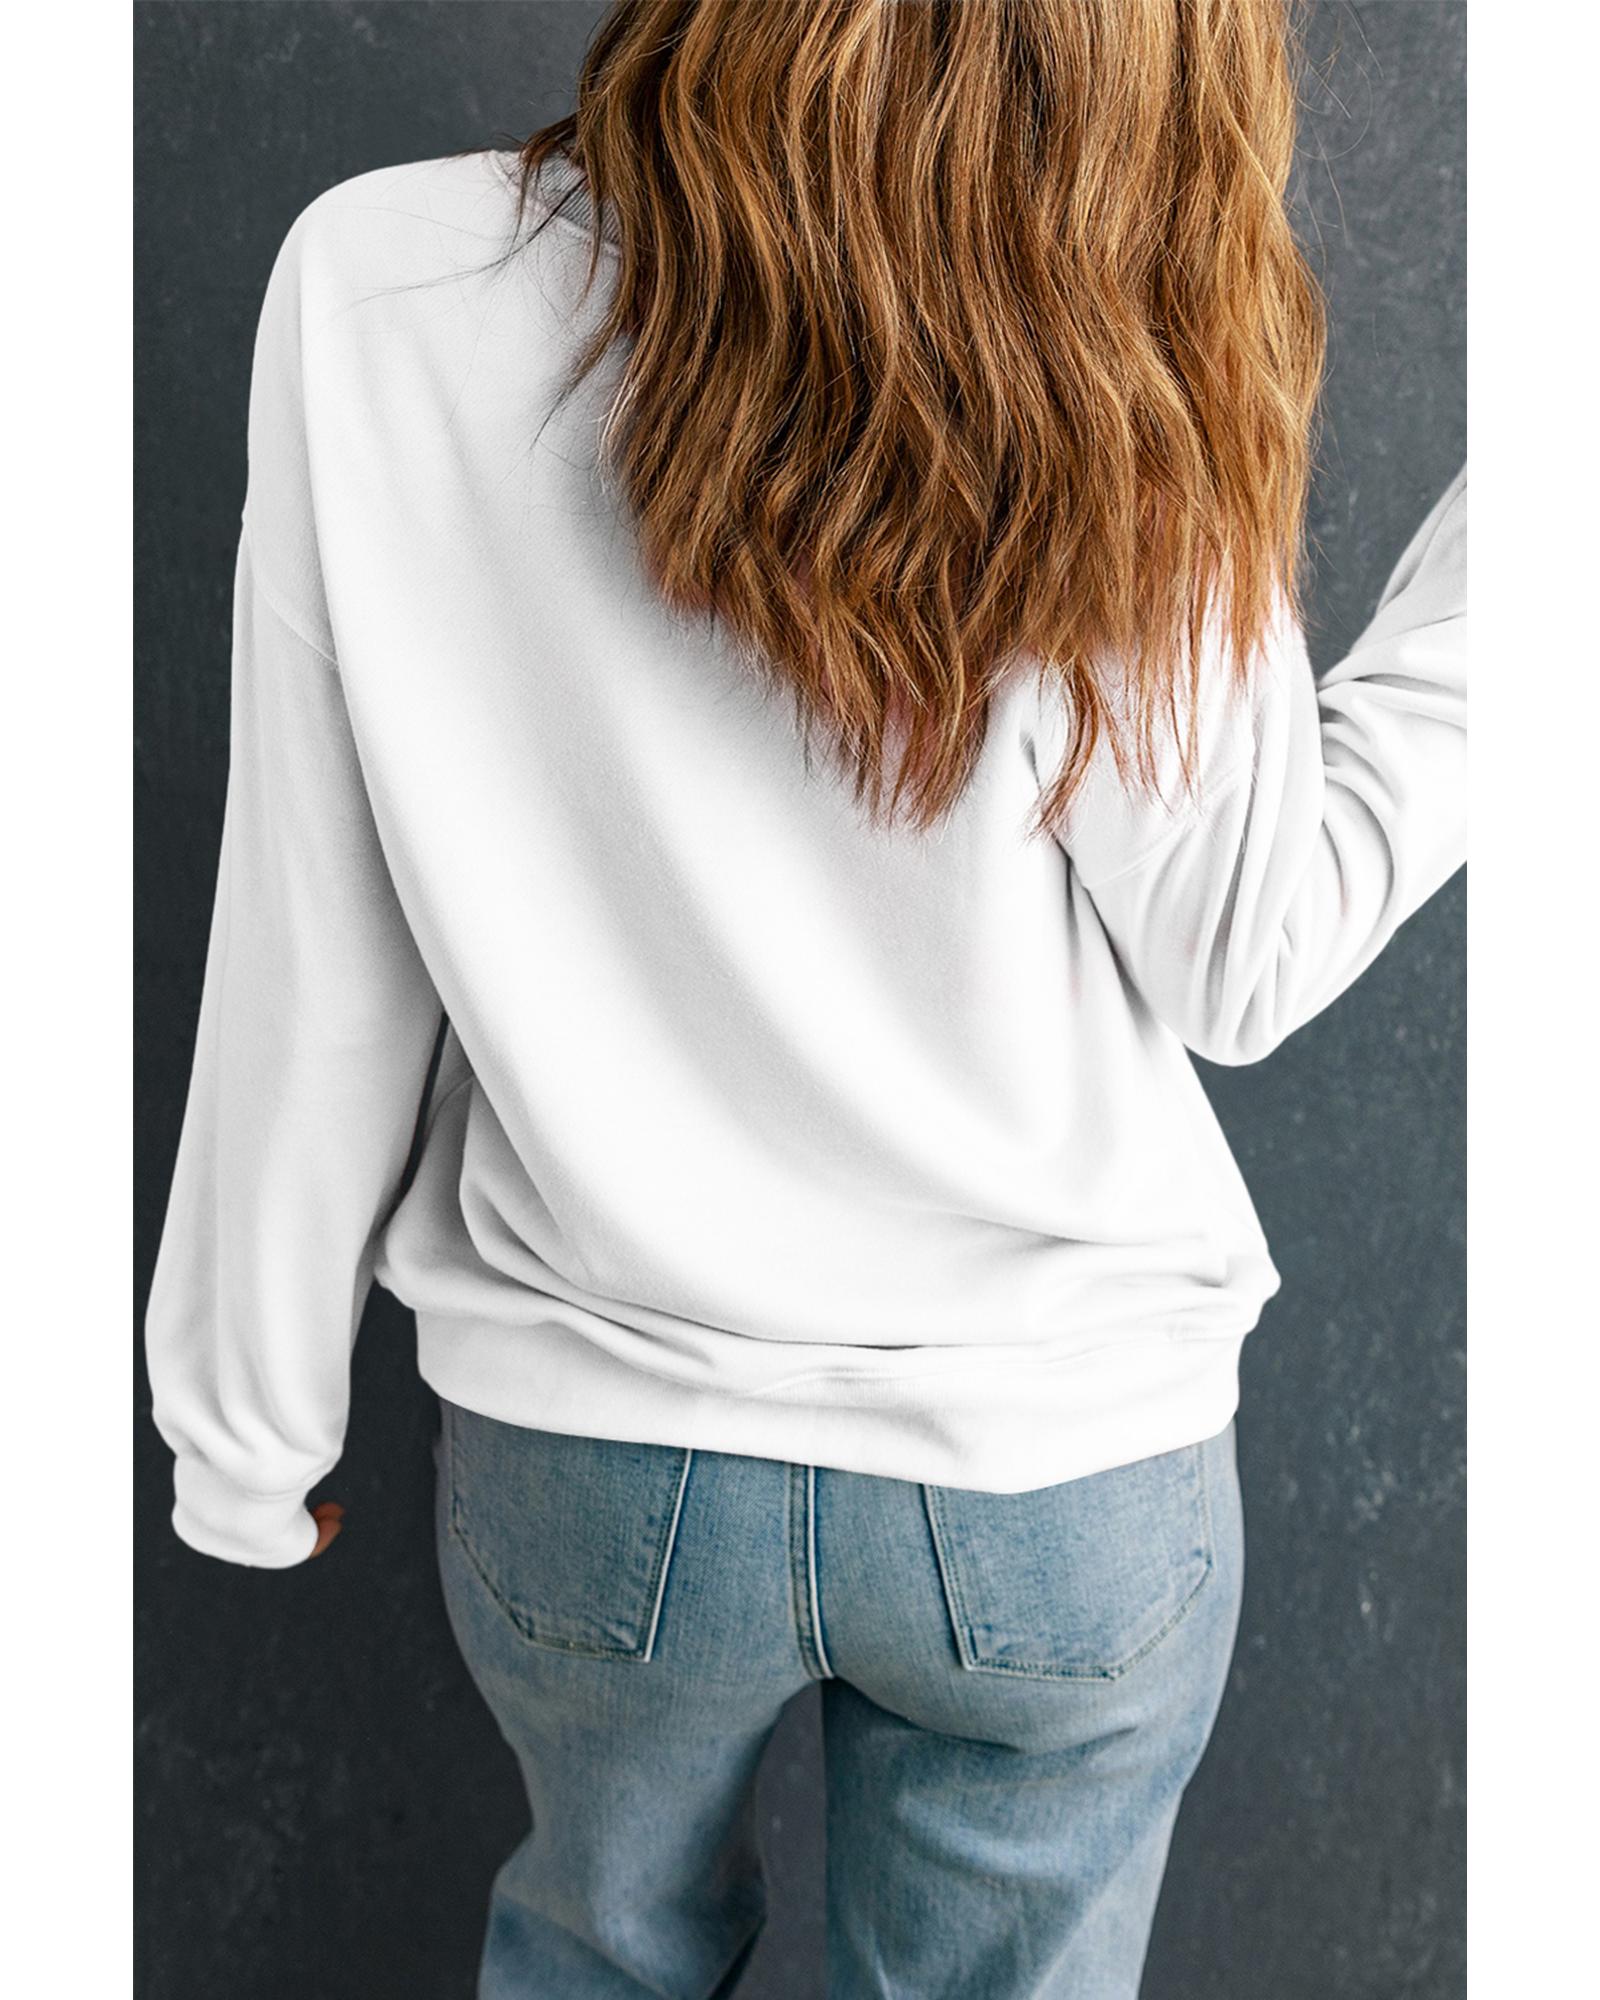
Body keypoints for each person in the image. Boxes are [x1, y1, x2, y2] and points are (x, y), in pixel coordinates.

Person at [142, 2, 1466, 1994]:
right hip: (1054, 1473)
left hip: (594, 1460)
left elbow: (317, 920)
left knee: (589, 1963)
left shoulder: (382, 281)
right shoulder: (1125, 331)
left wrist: (245, 1425)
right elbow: (1245, 950)